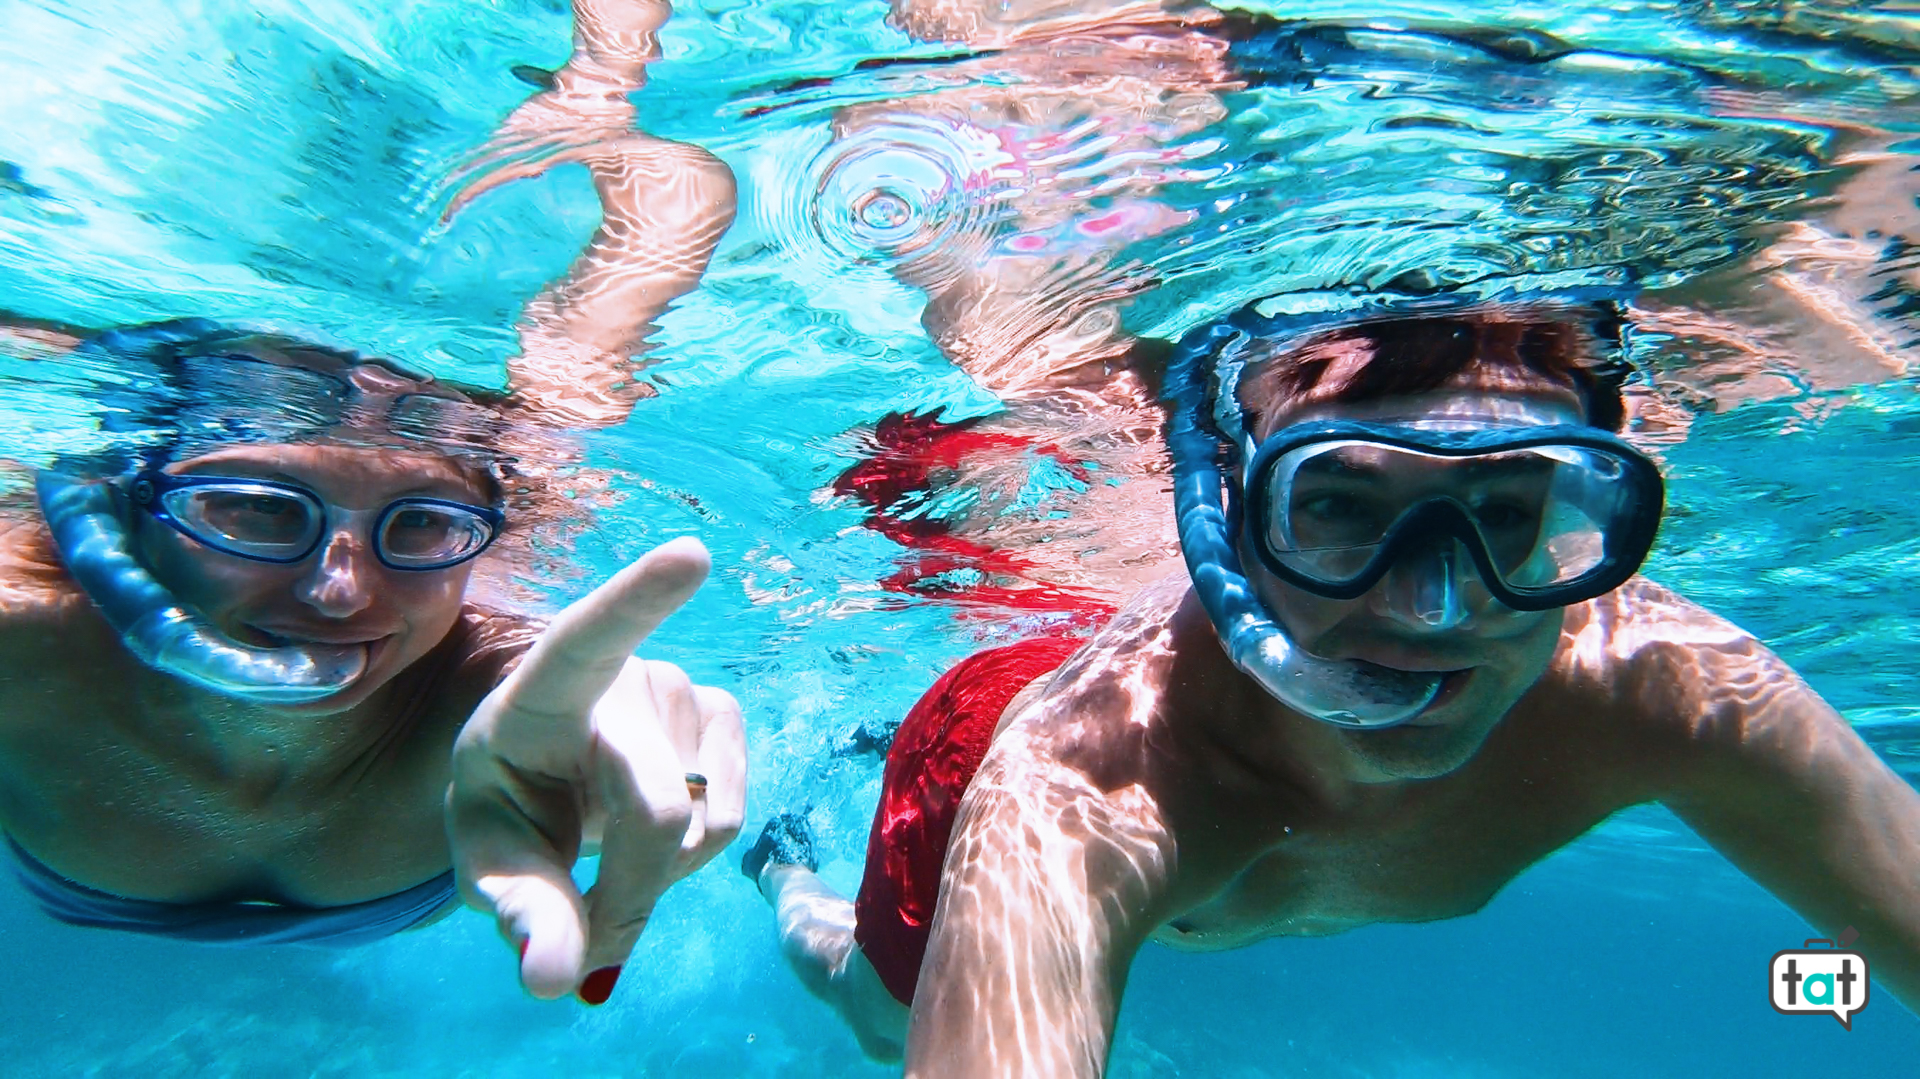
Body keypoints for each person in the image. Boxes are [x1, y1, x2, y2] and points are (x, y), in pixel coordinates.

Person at [748, 296, 1920, 1071]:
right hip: (997, 715)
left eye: (1511, 511)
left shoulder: (1668, 682)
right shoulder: (1085, 776)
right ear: (1222, 521)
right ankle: (786, 869)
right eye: (1342, 505)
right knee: (880, 1020)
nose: (1436, 609)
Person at [0, 0, 741, 1007]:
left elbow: (678, 192)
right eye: (256, 509)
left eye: (425, 525)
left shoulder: (499, 708)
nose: (342, 590)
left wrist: (633, 762)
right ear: (124, 505)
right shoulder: (20, 639)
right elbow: (677, 193)